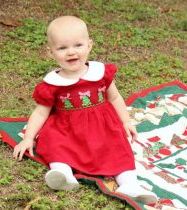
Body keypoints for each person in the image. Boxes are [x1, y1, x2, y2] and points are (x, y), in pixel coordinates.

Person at [12, 16, 157, 204]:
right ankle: (63, 174)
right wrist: (28, 138)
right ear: (51, 52)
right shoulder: (53, 83)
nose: (71, 52)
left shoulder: (100, 73)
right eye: (62, 48)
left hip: (102, 128)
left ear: (89, 45)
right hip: (67, 129)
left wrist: (126, 121)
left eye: (78, 45)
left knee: (119, 148)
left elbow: (114, 97)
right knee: (55, 144)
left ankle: (129, 184)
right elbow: (41, 112)